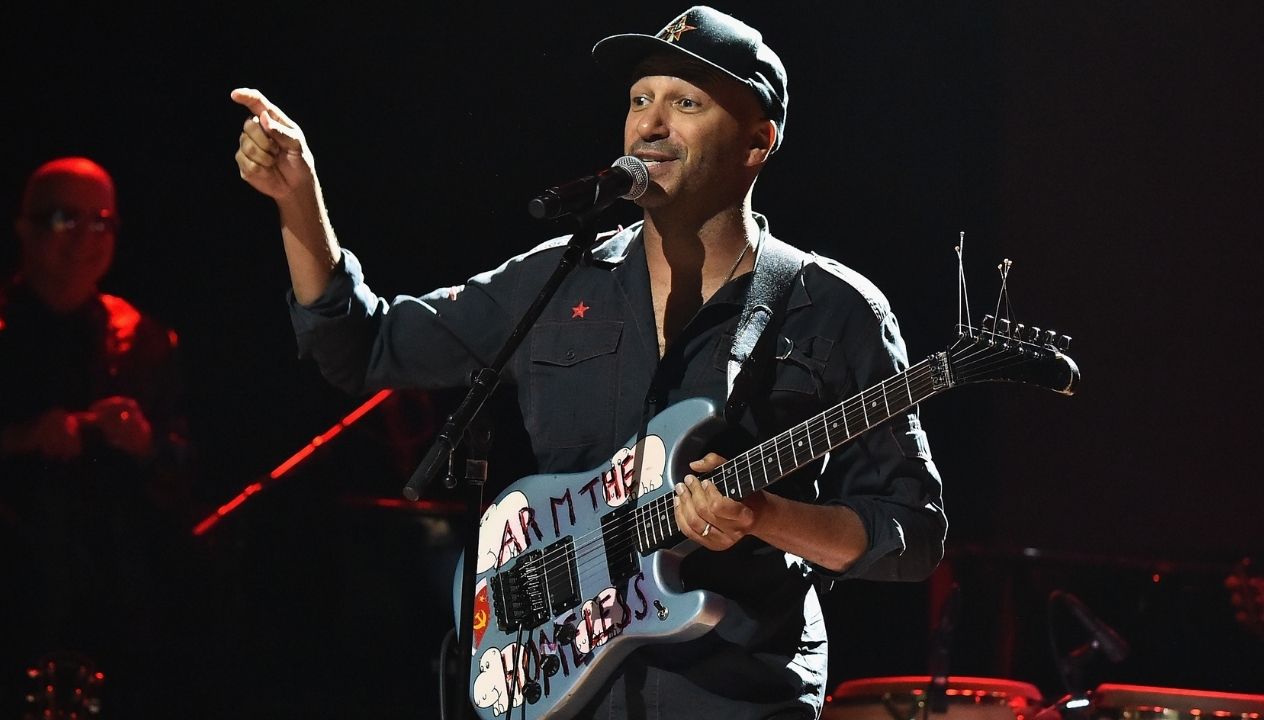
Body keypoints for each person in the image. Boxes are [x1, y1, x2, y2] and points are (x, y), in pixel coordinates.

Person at [232, 6, 946, 719]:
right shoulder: (561, 279)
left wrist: (764, 514)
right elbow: (365, 347)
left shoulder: (834, 308)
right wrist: (299, 198)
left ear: (759, 140)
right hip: (559, 688)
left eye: (685, 103)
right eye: (640, 100)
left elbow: (910, 532)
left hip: (738, 694)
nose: (650, 124)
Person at [0, 157, 189, 717]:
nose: (86, 238)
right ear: (25, 230)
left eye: (101, 221)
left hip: (113, 611)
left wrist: (146, 444)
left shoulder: (145, 339)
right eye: (65, 219)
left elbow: (184, 471)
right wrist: (22, 438)